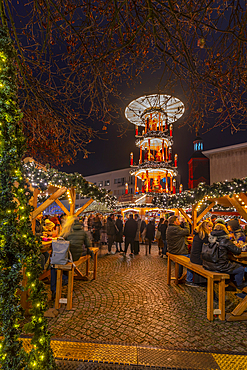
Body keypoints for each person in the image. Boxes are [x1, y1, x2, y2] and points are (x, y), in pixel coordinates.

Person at [50, 216, 92, 300]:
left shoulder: (68, 230)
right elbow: (88, 245)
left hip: (68, 256)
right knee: (58, 264)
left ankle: (55, 287)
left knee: (53, 266)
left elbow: (60, 240)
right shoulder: (83, 232)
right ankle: (65, 277)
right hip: (77, 255)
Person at [202, 223, 245, 291]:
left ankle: (230, 284)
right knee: (240, 268)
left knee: (232, 264)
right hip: (219, 266)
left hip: (208, 264)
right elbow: (237, 251)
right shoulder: (225, 240)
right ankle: (239, 285)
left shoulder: (211, 238)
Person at [166, 215, 195, 287]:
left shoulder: (170, 228)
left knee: (186, 259)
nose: (179, 221)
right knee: (192, 260)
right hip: (179, 251)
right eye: (178, 220)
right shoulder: (176, 229)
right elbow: (187, 231)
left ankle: (179, 276)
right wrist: (185, 223)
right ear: (175, 222)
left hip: (173, 250)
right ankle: (189, 280)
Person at [190, 220, 213, 285]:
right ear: (204, 227)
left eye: (211, 227)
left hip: (194, 257)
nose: (211, 228)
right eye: (209, 226)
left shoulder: (199, 233)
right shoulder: (204, 235)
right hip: (198, 259)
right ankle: (204, 281)